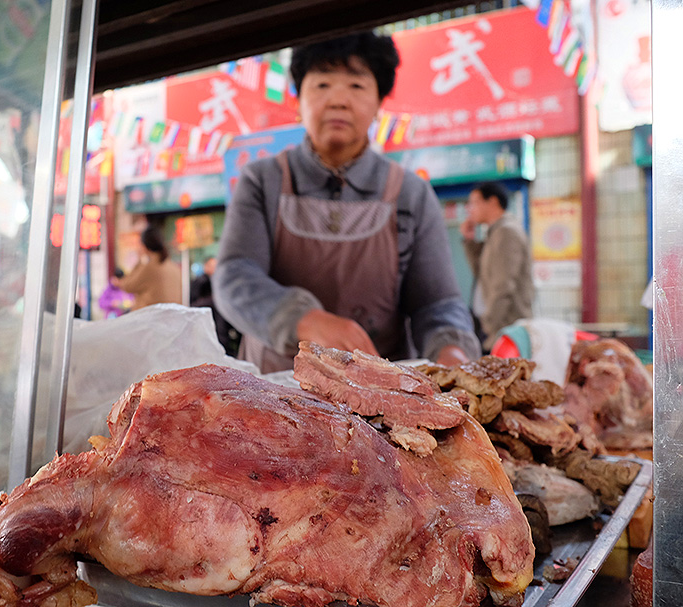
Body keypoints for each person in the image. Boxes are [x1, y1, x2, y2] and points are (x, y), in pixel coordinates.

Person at [213, 32, 481, 373]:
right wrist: (301, 319)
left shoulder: (411, 193)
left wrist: (452, 350)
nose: (338, 100)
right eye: (322, 85)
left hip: (380, 399)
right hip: (274, 392)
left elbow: (437, 303)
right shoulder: (261, 180)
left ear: (379, 102)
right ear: (298, 99)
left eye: (356, 87)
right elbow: (235, 276)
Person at [460, 181, 534, 351]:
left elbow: (504, 286)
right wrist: (469, 241)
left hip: (505, 331)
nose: (470, 209)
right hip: (497, 329)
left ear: (492, 202)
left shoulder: (506, 232)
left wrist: (488, 327)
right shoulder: (495, 233)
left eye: (474, 202)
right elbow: (480, 273)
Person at [120, 225, 182, 310]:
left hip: (151, 319)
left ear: (144, 246)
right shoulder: (173, 267)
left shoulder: (150, 268)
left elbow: (127, 286)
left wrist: (140, 260)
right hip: (170, 318)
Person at [190, 256, 240, 357]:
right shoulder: (201, 282)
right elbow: (193, 303)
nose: (216, 268)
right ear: (206, 267)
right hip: (207, 317)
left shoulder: (217, 280)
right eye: (213, 265)